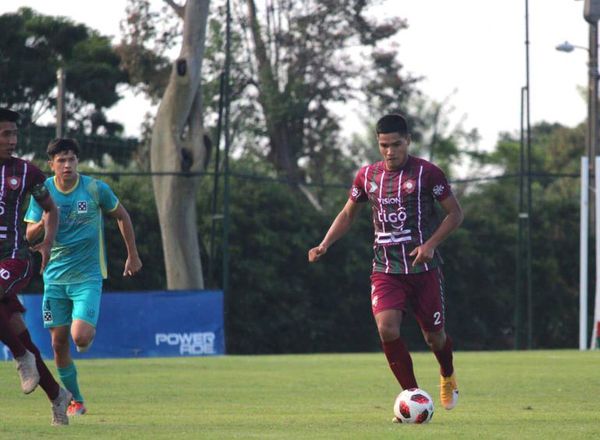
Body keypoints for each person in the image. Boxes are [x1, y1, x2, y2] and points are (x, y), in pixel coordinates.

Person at [308, 113, 464, 417]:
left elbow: (455, 214)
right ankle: (413, 395)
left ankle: (447, 373)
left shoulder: (427, 174)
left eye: (396, 144)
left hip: (423, 271)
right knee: (386, 328)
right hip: (386, 270)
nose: (390, 151)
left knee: (435, 337)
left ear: (407, 141)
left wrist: (430, 245)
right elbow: (348, 214)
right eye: (383, 145)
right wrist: (324, 243)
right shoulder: (367, 176)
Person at [25, 137, 143, 417]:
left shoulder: (94, 189)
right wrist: (44, 220)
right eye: (61, 160)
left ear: (77, 161)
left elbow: (122, 216)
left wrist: (133, 255)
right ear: (51, 164)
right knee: (58, 344)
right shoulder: (42, 193)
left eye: (72, 159)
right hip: (54, 279)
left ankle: (86, 329)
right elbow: (29, 235)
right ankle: (76, 400)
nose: (67, 165)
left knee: (80, 338)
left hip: (87, 277)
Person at [0, 107, 72, 426]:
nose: (12, 140)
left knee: (20, 346)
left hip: (15, 257)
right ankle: (58, 396)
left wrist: (47, 241)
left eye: (14, 134)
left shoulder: (27, 172)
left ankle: (20, 357)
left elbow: (50, 208)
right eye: (5, 134)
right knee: (20, 334)